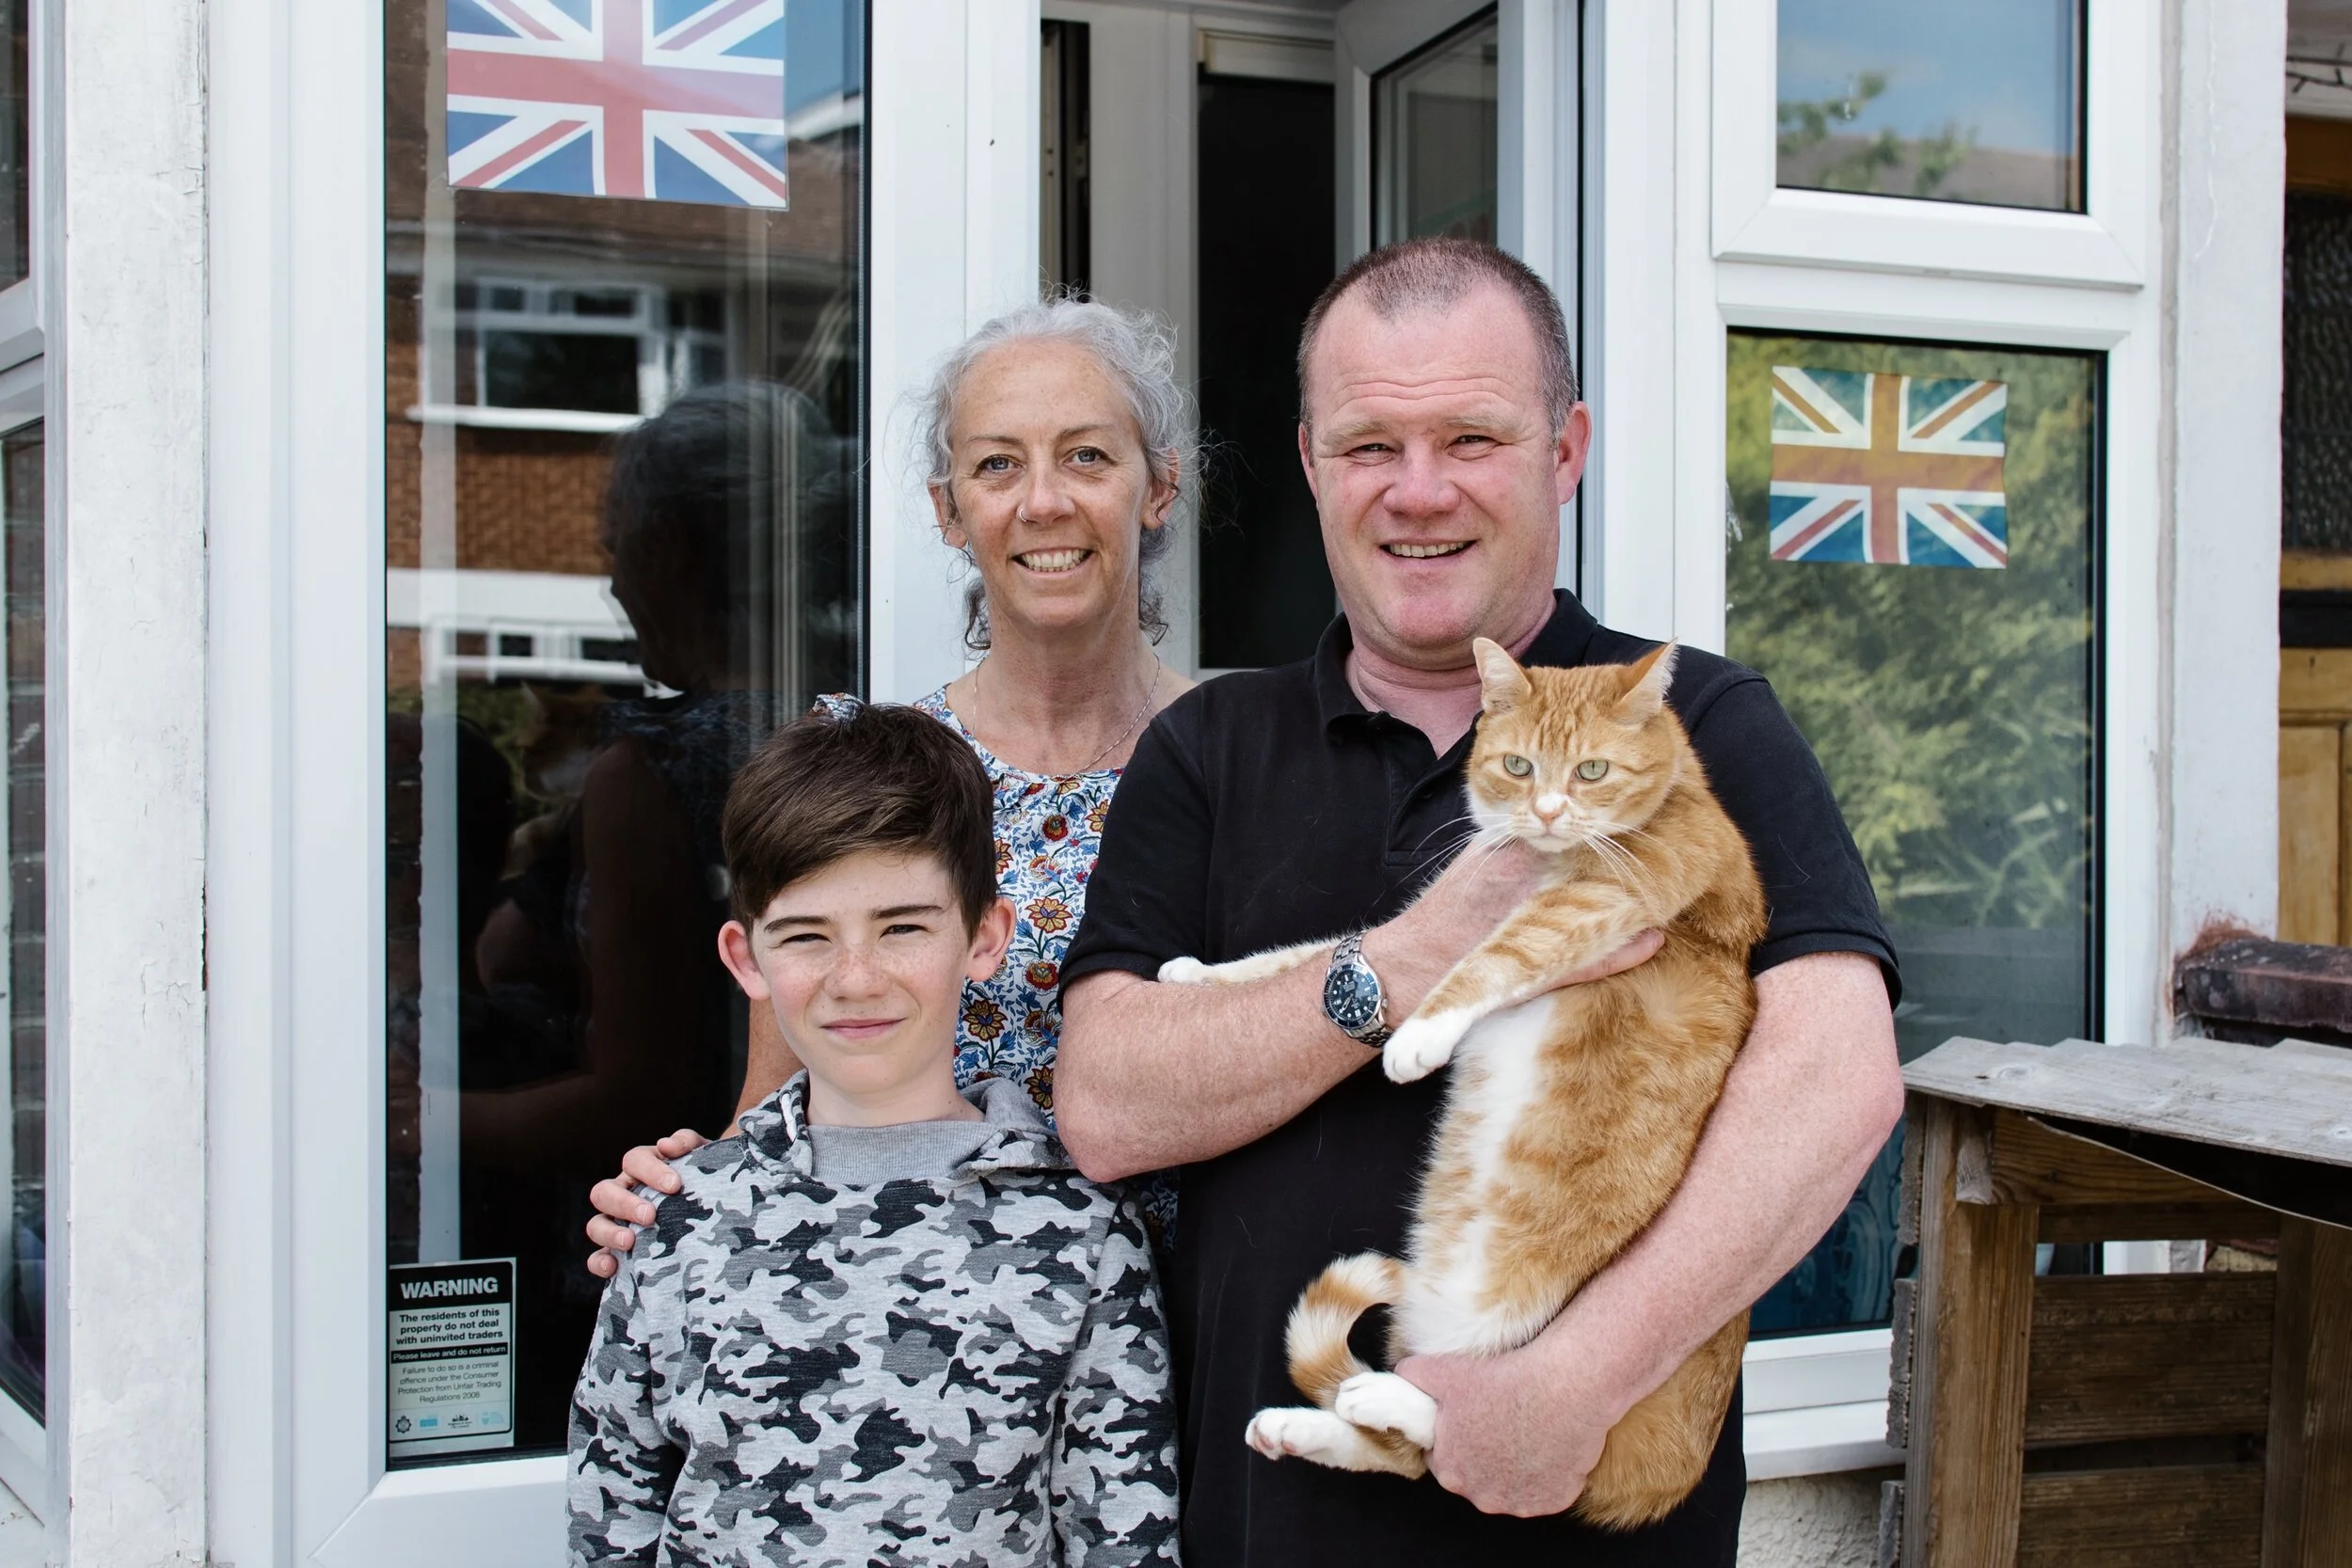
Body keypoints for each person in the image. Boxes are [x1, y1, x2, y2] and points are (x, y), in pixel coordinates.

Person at [1049, 237, 1903, 1565]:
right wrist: (1422, 947)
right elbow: (1108, 1103)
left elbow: (1836, 1079)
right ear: (1315, 461)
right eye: (1371, 445)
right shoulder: (1211, 748)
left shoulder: (1699, 724)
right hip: (1270, 1528)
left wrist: (1577, 1381)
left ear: (1565, 450)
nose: (1420, 490)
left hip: (1592, 1519)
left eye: (1472, 437)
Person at [583, 298, 1201, 1274]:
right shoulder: (862, 765)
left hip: (1195, 1329)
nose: (1043, 500)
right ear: (949, 508)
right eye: (997, 463)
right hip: (919, 1341)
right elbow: (782, 1098)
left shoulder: (1249, 753)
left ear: (1158, 487)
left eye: (1087, 455)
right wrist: (688, 1203)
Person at [567, 701, 1181, 1566]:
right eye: (808, 935)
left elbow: (1124, 1542)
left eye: (901, 927)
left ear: (983, 936)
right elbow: (611, 1519)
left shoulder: (1084, 1237)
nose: (856, 978)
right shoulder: (677, 1221)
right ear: (747, 958)